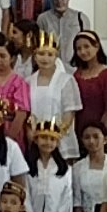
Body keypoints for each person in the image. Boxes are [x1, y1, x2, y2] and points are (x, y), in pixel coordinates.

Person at [27, 31, 82, 159]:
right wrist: (34, 136)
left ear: (56, 57)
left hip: (60, 139)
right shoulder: (28, 81)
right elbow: (27, 113)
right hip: (36, 139)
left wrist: (54, 137)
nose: (45, 58)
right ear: (35, 56)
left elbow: (69, 114)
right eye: (41, 54)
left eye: (50, 54)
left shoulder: (66, 80)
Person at [36, 0, 91, 71]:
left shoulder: (80, 18)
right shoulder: (43, 19)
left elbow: (88, 43)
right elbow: (39, 44)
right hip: (51, 67)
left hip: (75, 68)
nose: (59, 2)